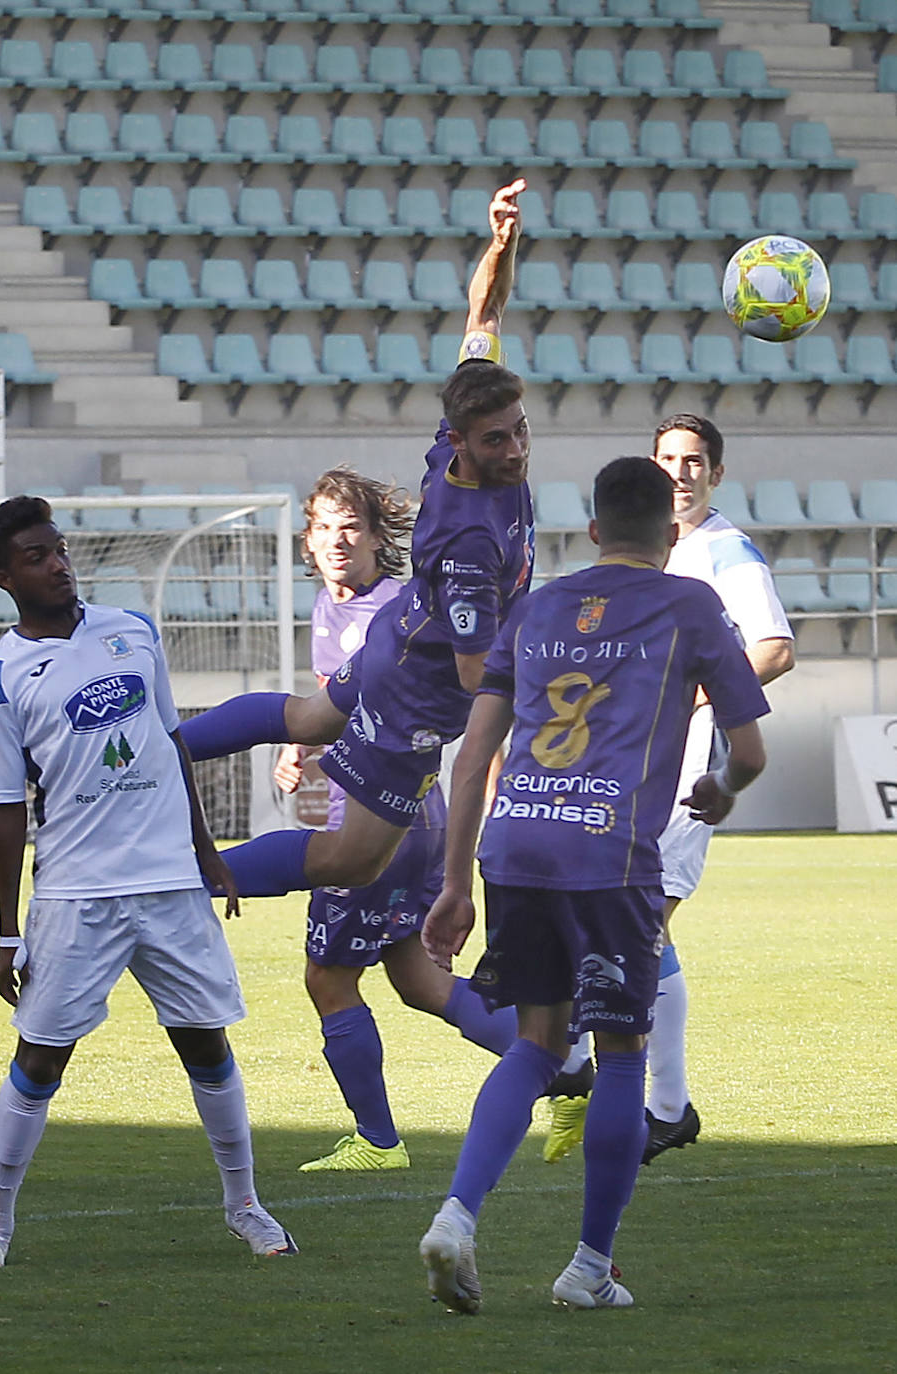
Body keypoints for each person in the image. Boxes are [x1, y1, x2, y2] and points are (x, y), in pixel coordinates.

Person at [417, 456, 768, 1313]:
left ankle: (457, 1217)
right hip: (609, 858)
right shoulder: (691, 603)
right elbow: (749, 749)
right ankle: (587, 1269)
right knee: (620, 1055)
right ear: (673, 534)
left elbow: (472, 759)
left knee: (537, 1045)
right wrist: (721, 790)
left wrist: (455, 882)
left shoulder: (535, 608)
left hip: (516, 846)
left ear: (594, 531)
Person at [0, 495, 296, 1270]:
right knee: (42, 1058)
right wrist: (8, 929)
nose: (58, 564)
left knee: (205, 1044)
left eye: (61, 548)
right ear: (6, 577)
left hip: (171, 882)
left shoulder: (132, 632)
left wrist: (207, 851)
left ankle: (245, 1205)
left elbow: (168, 743)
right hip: (77, 893)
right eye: (38, 556)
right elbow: (4, 813)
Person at [178, 179, 534, 899]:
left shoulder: (465, 419)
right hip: (416, 693)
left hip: (395, 639)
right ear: (462, 443)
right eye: (499, 441)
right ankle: (175, 879)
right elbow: (476, 677)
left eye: (522, 430)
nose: (518, 450)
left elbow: (484, 310)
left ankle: (168, 748)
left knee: (309, 716)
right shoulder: (467, 543)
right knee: (349, 861)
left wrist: (502, 244)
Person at [544, 415, 795, 1167]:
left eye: (694, 461)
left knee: (639, 923)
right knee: (637, 926)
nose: (680, 472)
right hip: (625, 763)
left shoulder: (725, 553)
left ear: (715, 474)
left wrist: (695, 695)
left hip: (685, 771)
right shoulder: (656, 553)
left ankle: (602, 1077)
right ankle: (657, 1100)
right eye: (668, 459)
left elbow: (775, 648)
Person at [274, 468, 516, 1171]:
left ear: (382, 537)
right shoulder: (329, 607)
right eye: (323, 526)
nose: (337, 539)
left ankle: (379, 1142)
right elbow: (338, 697)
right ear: (308, 541)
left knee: (329, 979)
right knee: (417, 981)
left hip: (383, 823)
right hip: (408, 812)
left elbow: (472, 708)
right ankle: (559, 1062)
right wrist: (301, 746)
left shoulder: (405, 608)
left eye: (351, 525)